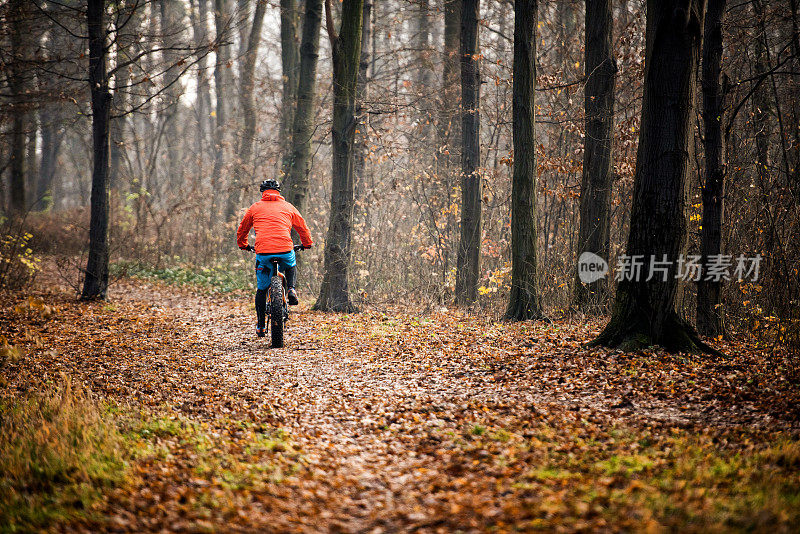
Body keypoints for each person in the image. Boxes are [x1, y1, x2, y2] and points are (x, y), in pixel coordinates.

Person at [237, 179, 313, 337]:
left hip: (263, 253)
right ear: (279, 192)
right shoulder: (288, 207)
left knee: (262, 289)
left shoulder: (255, 208)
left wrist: (243, 244)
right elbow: (302, 227)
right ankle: (291, 288)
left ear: (262, 193)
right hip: (285, 250)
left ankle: (260, 325)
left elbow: (243, 229)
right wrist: (307, 243)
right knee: (291, 262)